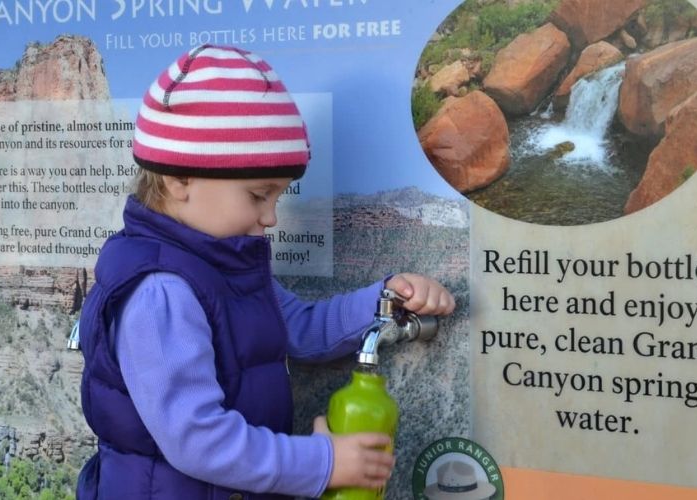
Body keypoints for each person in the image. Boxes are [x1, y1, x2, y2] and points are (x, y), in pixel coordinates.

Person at [77, 44, 456, 499]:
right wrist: (324, 463)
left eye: (278, 197)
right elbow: (197, 440)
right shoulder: (161, 290)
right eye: (259, 196)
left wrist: (386, 299)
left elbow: (299, 327)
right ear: (179, 180)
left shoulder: (222, 264)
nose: (271, 217)